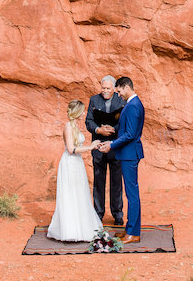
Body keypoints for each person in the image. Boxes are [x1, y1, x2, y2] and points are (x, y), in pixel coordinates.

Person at [46, 100, 104, 242]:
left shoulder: (75, 126)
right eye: (82, 111)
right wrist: (91, 147)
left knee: (80, 193)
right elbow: (71, 150)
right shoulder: (68, 127)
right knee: (70, 194)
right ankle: (70, 229)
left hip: (77, 163)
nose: (84, 113)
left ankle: (82, 226)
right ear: (77, 112)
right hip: (69, 163)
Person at [98, 76, 144, 244]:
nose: (118, 95)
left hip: (129, 154)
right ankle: (131, 229)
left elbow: (131, 134)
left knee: (132, 195)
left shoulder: (132, 105)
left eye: (118, 91)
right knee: (132, 194)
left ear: (125, 88)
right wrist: (114, 131)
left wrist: (112, 145)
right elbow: (126, 129)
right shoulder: (133, 104)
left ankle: (133, 233)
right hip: (129, 153)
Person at [85, 75, 125, 226]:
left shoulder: (121, 100)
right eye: (103, 88)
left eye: (108, 88)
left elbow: (124, 122)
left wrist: (112, 130)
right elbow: (88, 121)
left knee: (116, 182)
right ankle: (98, 214)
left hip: (115, 146)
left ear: (114, 88)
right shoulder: (94, 100)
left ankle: (118, 214)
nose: (105, 91)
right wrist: (98, 129)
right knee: (98, 181)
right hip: (99, 146)